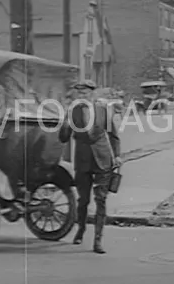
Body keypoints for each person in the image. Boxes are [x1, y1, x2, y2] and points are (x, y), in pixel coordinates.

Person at [58, 79, 122, 254]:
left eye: (85, 93)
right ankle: (80, 230)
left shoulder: (102, 110)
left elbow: (113, 135)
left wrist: (117, 156)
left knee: (101, 199)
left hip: (102, 158)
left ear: (93, 93)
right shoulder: (72, 112)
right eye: (79, 93)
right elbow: (64, 138)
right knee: (83, 200)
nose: (82, 96)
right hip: (82, 160)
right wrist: (64, 124)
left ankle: (98, 240)